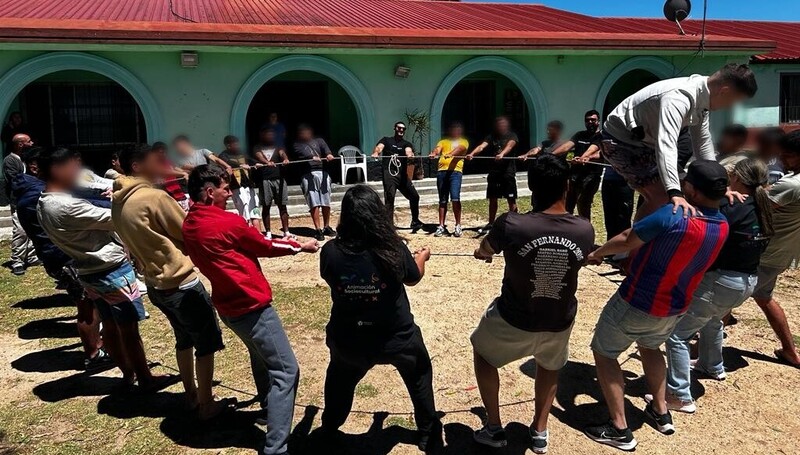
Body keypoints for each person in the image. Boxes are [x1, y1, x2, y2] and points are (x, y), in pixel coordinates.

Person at [584, 160, 730, 450]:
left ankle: (619, 428)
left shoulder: (674, 215)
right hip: (676, 307)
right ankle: (661, 411)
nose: (681, 186)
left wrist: (598, 253)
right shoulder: (723, 224)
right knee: (650, 348)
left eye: (686, 183)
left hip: (639, 300)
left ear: (694, 191)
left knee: (604, 353)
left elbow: (628, 238)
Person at [182, 164, 319, 455]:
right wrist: (300, 246)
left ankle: (269, 410)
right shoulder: (225, 222)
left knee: (260, 357)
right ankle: (276, 447)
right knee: (286, 371)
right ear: (209, 192)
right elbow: (263, 245)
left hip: (228, 306)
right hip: (251, 305)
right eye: (224, 187)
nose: (229, 191)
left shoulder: (190, 223)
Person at [470, 154, 594, 453]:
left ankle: (495, 427)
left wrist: (482, 252)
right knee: (549, 366)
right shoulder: (584, 229)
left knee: (483, 354)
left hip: (514, 316)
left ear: (531, 186)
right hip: (558, 319)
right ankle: (539, 431)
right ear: (566, 185)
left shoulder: (512, 224)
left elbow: (485, 248)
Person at [36, 147, 172, 392]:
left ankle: (128, 374)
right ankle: (144, 378)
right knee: (128, 328)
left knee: (110, 325)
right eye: (73, 167)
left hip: (89, 271)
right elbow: (118, 218)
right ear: (57, 170)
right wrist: (124, 200)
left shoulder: (45, 202)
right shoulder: (65, 206)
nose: (78, 172)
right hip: (111, 270)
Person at [112, 144, 233, 419]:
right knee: (205, 342)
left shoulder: (118, 200)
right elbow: (189, 231)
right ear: (137, 167)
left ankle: (190, 394)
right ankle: (206, 404)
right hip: (181, 282)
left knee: (183, 339)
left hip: (156, 284)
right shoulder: (153, 198)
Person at [318, 185, 441, 452]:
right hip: (395, 336)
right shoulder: (392, 249)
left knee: (339, 381)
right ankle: (429, 432)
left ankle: (328, 427)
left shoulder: (330, 251)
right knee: (419, 375)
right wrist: (422, 258)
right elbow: (413, 277)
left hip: (349, 338)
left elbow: (330, 277)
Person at [664, 158, 773, 412]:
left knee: (677, 335)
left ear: (738, 178)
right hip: (747, 282)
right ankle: (712, 365)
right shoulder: (761, 204)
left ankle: (679, 395)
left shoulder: (732, 205)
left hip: (723, 280)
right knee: (712, 319)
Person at [602, 63, 757, 220]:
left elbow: (702, 142)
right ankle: (634, 243)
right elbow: (667, 144)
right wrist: (674, 193)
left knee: (689, 190)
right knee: (661, 198)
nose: (731, 106)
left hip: (649, 143)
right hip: (620, 141)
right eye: (734, 101)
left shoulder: (703, 97)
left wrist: (719, 185)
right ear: (725, 91)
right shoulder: (678, 98)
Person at [13, 146, 108, 369]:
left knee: (88, 303)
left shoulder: (32, 192)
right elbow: (83, 204)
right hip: (63, 258)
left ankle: (97, 346)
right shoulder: (38, 196)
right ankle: (94, 354)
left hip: (57, 256)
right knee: (87, 306)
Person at [752, 130, 800, 367]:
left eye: (788, 155)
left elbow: (758, 206)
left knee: (725, 299)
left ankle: (703, 353)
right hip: (783, 250)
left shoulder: (791, 184)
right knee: (763, 297)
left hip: (766, 252)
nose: (782, 159)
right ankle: (790, 350)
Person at [466, 116, 519, 233]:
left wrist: (502, 154)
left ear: (506, 125)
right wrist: (472, 154)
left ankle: (515, 224)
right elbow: (482, 146)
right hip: (494, 172)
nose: (501, 126)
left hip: (507, 172)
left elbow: (510, 146)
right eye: (499, 124)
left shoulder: (512, 135)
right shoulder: (492, 136)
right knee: (493, 198)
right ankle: (491, 223)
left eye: (503, 124)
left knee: (511, 199)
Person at [551, 110, 604, 219]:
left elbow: (593, 148)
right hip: (575, 175)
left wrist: (583, 157)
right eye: (587, 120)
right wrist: (550, 155)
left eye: (593, 120)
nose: (590, 122)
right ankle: (567, 230)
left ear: (598, 121)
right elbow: (566, 147)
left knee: (583, 204)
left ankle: (585, 231)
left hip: (591, 176)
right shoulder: (580, 134)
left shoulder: (601, 136)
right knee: (568, 205)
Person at [373, 122, 423, 230]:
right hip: (389, 174)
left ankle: (415, 221)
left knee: (414, 196)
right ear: (395, 128)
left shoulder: (406, 143)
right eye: (399, 128)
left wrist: (410, 155)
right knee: (390, 197)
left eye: (403, 129)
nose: (401, 130)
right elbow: (379, 148)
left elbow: (408, 151)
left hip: (402, 176)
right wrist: (376, 153)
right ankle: (389, 225)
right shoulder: (386, 140)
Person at [293, 124, 336, 241]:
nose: (305, 134)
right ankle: (317, 229)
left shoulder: (319, 141)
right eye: (302, 132)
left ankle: (326, 226)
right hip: (308, 174)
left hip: (322, 172)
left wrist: (329, 155)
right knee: (314, 202)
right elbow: (303, 154)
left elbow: (326, 150)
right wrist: (312, 156)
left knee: (325, 201)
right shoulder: (297, 144)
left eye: (307, 131)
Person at [3, 133, 38, 275]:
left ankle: (31, 256)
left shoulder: (25, 159)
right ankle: (17, 260)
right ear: (20, 144)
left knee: (31, 228)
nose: (32, 143)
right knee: (20, 231)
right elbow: (15, 180)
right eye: (29, 141)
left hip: (30, 198)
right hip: (18, 201)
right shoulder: (10, 161)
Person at [428, 122, 469, 237]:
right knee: (442, 200)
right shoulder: (443, 141)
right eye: (453, 129)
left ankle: (458, 225)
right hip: (442, 172)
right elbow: (438, 148)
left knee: (455, 198)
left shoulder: (463, 141)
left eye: (457, 129)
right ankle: (441, 226)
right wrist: (434, 153)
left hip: (455, 172)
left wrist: (450, 154)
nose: (455, 131)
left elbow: (461, 149)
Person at [218, 135, 262, 231]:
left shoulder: (241, 153)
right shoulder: (223, 155)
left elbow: (250, 160)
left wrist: (256, 163)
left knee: (255, 209)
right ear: (228, 145)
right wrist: (241, 165)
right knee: (245, 210)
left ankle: (258, 234)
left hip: (249, 185)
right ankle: (248, 234)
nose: (237, 145)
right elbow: (227, 163)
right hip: (237, 187)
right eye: (234, 144)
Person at [254, 127, 291, 238]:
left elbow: (282, 153)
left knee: (283, 206)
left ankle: (286, 232)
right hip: (265, 180)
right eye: (268, 134)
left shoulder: (278, 147)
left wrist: (285, 159)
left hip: (279, 179)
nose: (270, 137)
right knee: (266, 206)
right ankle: (268, 232)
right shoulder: (258, 147)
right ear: (263, 136)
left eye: (272, 135)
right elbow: (259, 156)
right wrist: (267, 162)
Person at [153, 141, 191, 212]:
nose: (163, 154)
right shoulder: (153, 163)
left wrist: (186, 173)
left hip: (177, 192)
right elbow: (166, 171)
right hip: (165, 194)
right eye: (160, 152)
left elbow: (174, 168)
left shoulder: (167, 161)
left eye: (164, 152)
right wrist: (182, 174)